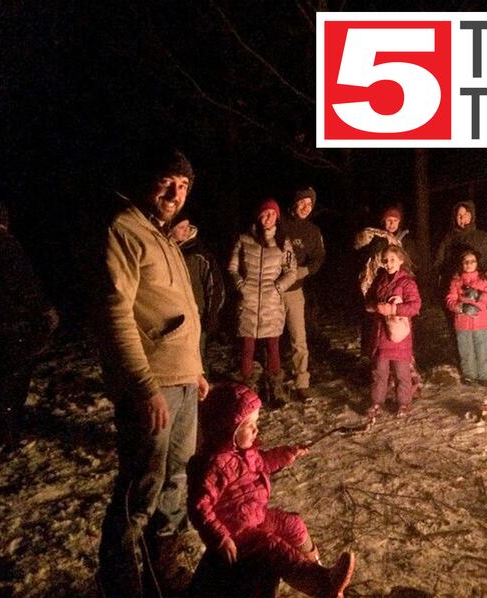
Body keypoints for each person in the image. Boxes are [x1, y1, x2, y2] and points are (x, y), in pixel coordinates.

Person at [95, 147, 209, 597]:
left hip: (181, 380)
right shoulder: (125, 230)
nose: (175, 194)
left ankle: (163, 568)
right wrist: (143, 387)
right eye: (167, 182)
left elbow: (177, 309)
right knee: (142, 484)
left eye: (183, 186)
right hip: (152, 386)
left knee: (177, 476)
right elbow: (116, 314)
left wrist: (195, 369)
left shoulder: (162, 236)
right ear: (148, 182)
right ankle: (120, 578)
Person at [187, 382, 356, 597]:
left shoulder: (244, 451)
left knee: (292, 523)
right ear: (228, 428)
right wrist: (219, 537)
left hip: (254, 516)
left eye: (256, 422)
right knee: (273, 546)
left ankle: (319, 568)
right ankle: (320, 585)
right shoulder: (212, 465)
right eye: (249, 425)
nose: (256, 429)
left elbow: (262, 463)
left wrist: (286, 455)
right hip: (235, 530)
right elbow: (200, 507)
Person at [0, 197, 58, 445]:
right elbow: (24, 284)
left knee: (3, 377)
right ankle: (7, 434)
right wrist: (44, 310)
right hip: (13, 325)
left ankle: (3, 429)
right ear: (2, 220)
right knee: (13, 380)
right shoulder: (5, 246)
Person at [228, 198, 297, 407]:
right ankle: (247, 394)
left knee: (273, 346)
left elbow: (291, 271)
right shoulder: (244, 239)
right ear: (258, 216)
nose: (268, 218)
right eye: (265, 213)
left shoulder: (283, 242)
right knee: (247, 347)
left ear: (277, 217)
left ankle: (275, 390)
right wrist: (240, 285)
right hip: (248, 301)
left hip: (271, 303)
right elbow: (232, 267)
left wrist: (278, 287)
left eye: (272, 214)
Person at [364, 245, 421, 418]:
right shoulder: (380, 280)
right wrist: (374, 306)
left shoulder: (407, 282)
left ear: (401, 260)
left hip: (399, 336)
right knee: (379, 373)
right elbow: (369, 300)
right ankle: (376, 403)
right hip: (381, 335)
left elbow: (415, 306)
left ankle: (403, 403)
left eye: (392, 260)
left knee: (401, 374)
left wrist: (393, 309)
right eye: (385, 260)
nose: (388, 263)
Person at [282, 186, 326, 400]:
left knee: (298, 337)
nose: (306, 207)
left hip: (294, 291)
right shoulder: (278, 224)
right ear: (294, 204)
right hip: (271, 290)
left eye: (310, 204)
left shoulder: (312, 231)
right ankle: (273, 379)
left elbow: (319, 257)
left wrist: (305, 270)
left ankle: (302, 381)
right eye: (302, 203)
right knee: (270, 337)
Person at [169, 213, 225, 376]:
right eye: (181, 227)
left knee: (198, 357)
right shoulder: (165, 252)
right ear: (170, 229)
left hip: (197, 317)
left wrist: (212, 315)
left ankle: (203, 388)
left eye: (188, 226)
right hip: (172, 317)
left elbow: (215, 286)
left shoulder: (199, 254)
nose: (186, 230)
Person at [445, 250, 487, 385]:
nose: (469, 264)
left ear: (477, 263)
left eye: (472, 262)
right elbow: (450, 301)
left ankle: (484, 376)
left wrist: (479, 295)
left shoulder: (483, 281)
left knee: (482, 349)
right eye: (466, 262)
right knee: (465, 350)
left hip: (480, 323)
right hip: (462, 323)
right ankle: (469, 374)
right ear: (461, 264)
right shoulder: (456, 282)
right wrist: (461, 307)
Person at [353, 205, 417, 298]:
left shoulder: (406, 240)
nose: (392, 223)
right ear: (383, 221)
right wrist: (379, 245)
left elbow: (411, 263)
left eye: (395, 220)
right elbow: (362, 257)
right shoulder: (374, 237)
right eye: (389, 220)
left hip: (398, 281)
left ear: (399, 222)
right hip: (375, 280)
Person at [433, 200, 487, 288]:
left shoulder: (482, 237)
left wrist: (484, 280)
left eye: (466, 214)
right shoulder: (449, 238)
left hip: (479, 286)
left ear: (471, 216)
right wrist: (448, 277)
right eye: (459, 215)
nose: (462, 218)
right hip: (454, 286)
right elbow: (439, 262)